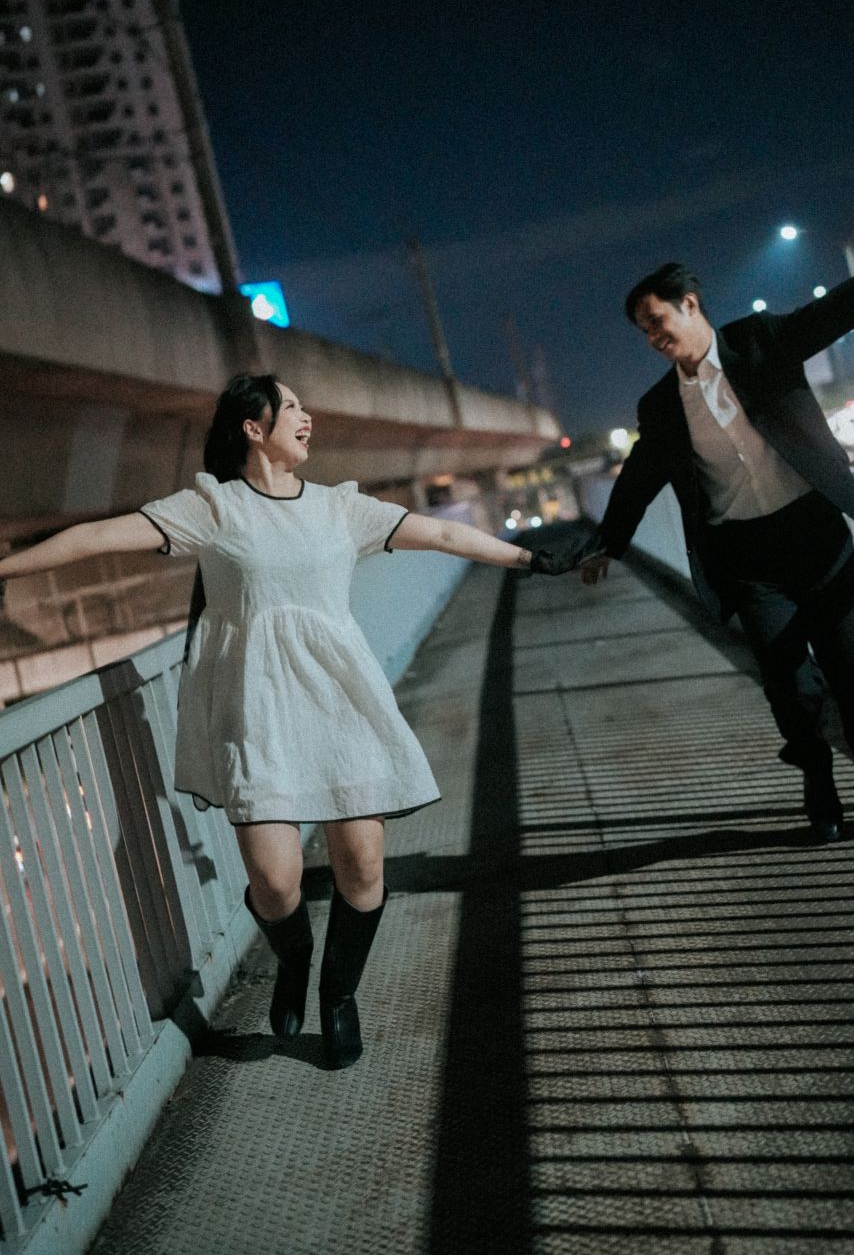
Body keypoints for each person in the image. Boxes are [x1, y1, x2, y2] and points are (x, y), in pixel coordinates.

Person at [0, 374, 564, 1067]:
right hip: (256, 716)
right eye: (291, 406)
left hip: (341, 707)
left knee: (363, 865)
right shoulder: (212, 507)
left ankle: (338, 995)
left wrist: (530, 558)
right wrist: (7, 568)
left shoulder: (339, 507)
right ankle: (294, 958)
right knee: (274, 881)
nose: (306, 416)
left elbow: (444, 531)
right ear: (253, 426)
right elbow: (95, 537)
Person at [567, 192, 854, 846]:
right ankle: (819, 785)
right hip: (749, 559)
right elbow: (638, 479)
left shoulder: (759, 342)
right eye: (642, 330)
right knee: (791, 689)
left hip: (816, 538)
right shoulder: (660, 406)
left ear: (689, 305)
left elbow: (839, 308)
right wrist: (605, 545)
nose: (651, 337)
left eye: (655, 320)